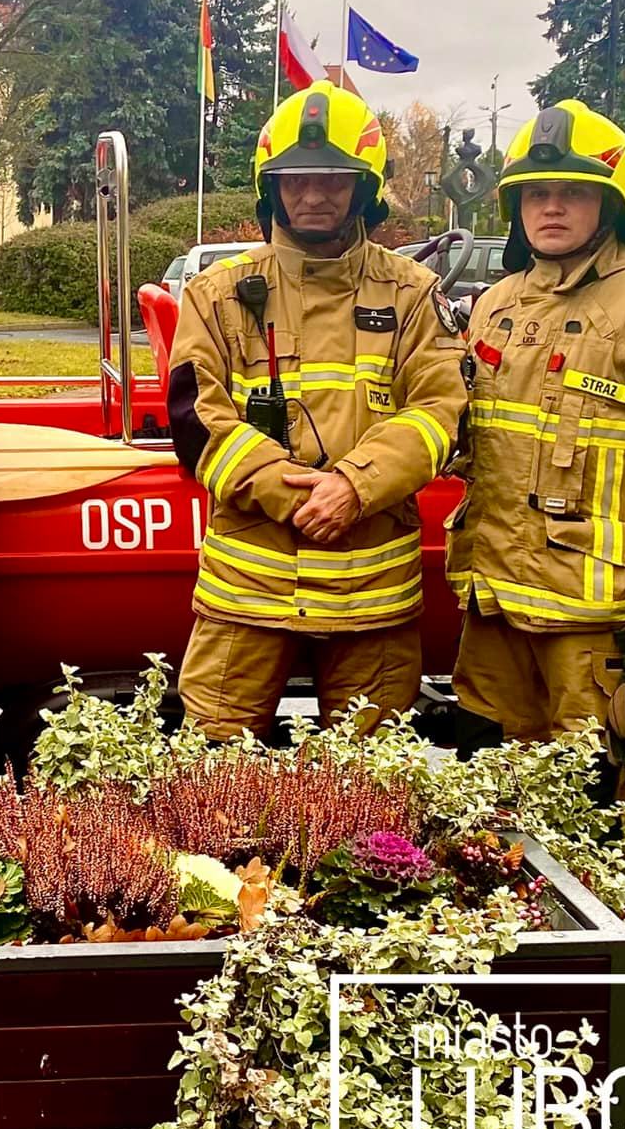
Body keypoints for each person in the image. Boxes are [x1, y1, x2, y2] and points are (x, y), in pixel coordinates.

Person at [447, 99, 625, 811]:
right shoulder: (496, 304)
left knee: (590, 800)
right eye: (536, 193)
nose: (552, 207)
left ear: (612, 203)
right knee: (491, 799)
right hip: (492, 605)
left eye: (573, 192)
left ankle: (615, 921)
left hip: (592, 613)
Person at [167, 80, 467, 738]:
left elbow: (442, 409)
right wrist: (291, 492)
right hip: (246, 592)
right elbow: (195, 417)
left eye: (332, 180)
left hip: (372, 596)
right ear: (269, 187)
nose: (311, 194)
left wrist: (355, 487)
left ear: (364, 188)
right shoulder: (215, 294)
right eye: (295, 179)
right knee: (216, 786)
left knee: (370, 802)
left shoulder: (415, 294)